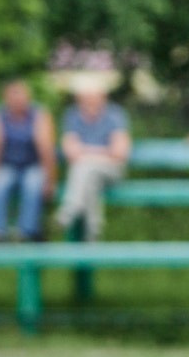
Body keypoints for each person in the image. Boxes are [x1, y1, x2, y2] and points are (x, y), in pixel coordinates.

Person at [54, 78, 132, 242]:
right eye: (85, 98)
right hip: (90, 174)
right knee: (89, 179)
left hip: (112, 171)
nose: (89, 102)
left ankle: (70, 210)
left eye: (93, 97)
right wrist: (103, 152)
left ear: (103, 98)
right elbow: (70, 152)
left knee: (84, 166)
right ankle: (93, 233)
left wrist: (86, 152)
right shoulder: (73, 115)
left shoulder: (115, 115)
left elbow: (120, 152)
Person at [0, 78, 54, 242]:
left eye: (20, 95)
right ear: (5, 98)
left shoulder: (39, 115)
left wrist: (50, 179)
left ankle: (27, 231)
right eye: (12, 95)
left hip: (32, 164)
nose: (17, 100)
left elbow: (46, 150)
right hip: (7, 164)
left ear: (28, 96)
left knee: (33, 183)